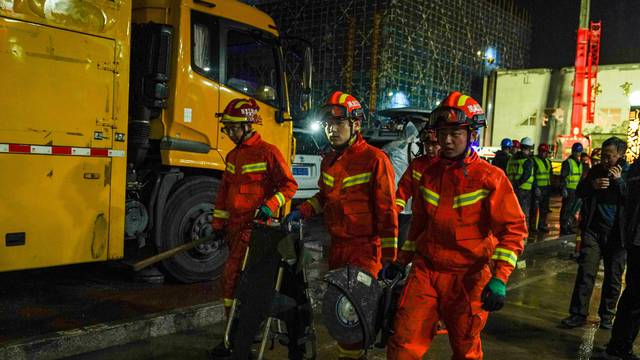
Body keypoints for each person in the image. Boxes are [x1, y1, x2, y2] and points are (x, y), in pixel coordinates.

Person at [387, 91, 527, 360]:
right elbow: (419, 226)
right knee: (403, 343)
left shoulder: (491, 178)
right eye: (442, 133)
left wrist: (499, 278)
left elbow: (513, 231)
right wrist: (400, 259)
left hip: (468, 278)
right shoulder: (428, 174)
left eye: (455, 133)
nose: (446, 141)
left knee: (465, 349)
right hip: (426, 272)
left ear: (472, 134)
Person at [286, 91, 398, 360]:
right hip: (337, 248)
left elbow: (387, 211)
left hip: (364, 250)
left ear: (356, 125)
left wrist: (390, 258)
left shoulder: (375, 160)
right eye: (327, 125)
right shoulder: (329, 161)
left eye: (338, 124)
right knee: (340, 314)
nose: (331, 130)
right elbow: (324, 197)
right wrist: (301, 210)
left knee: (356, 315)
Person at [211, 98, 298, 319]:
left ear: (247, 126)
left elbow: (289, 185)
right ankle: (235, 327)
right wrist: (218, 224)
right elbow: (225, 191)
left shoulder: (268, 153)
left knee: (234, 276)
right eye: (226, 128)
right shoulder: (232, 155)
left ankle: (240, 329)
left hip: (256, 230)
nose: (229, 133)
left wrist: (270, 206)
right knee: (237, 278)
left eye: (232, 128)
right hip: (235, 229)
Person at [560, 137, 629, 330]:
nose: (605, 160)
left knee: (613, 277)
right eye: (603, 156)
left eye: (610, 156)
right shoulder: (596, 171)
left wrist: (620, 181)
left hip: (618, 235)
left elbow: (632, 198)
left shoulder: (630, 173)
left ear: (620, 155)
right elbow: (580, 191)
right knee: (586, 272)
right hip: (593, 232)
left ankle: (607, 316)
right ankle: (578, 314)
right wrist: (592, 185)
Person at [605, 159, 640, 360]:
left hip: (634, 239)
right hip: (636, 240)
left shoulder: (635, 168)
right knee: (635, 298)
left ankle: (618, 343)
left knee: (632, 296)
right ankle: (621, 345)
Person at [394, 129, 440, 261]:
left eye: (434, 144)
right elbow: (403, 190)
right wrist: (395, 210)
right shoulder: (417, 164)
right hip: (418, 221)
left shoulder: (449, 167)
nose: (430, 149)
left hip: (440, 224)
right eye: (427, 144)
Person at [382, 122, 421, 249]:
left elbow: (381, 153)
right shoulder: (417, 148)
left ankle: (392, 255)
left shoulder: (394, 146)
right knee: (405, 229)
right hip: (407, 197)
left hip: (394, 194)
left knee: (393, 228)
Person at [506, 136, 535, 228]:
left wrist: (513, 184)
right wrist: (518, 184)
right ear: (530, 148)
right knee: (524, 213)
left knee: (513, 212)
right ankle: (523, 233)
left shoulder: (512, 158)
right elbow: (526, 175)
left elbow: (507, 171)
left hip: (511, 188)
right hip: (524, 190)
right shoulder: (527, 161)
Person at [560, 143, 585, 235]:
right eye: (576, 151)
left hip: (576, 190)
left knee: (572, 210)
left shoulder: (579, 163)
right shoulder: (568, 162)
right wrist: (563, 188)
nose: (578, 153)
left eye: (579, 152)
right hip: (569, 190)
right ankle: (564, 227)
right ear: (573, 151)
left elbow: (580, 177)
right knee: (566, 209)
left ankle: (568, 226)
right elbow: (563, 177)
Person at [531, 143, 553, 232]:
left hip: (546, 188)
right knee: (535, 209)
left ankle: (542, 225)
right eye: (544, 152)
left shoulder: (547, 161)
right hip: (538, 188)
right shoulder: (534, 160)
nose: (545, 154)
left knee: (544, 209)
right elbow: (533, 175)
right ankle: (534, 227)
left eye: (546, 152)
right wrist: (536, 187)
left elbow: (549, 174)